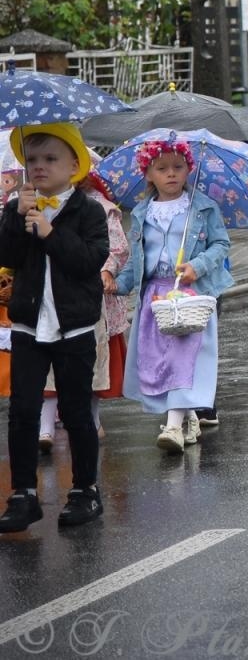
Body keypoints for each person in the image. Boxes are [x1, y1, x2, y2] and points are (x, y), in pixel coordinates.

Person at [0, 125, 110, 532]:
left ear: (74, 166)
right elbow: (7, 256)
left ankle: (85, 490)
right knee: (23, 410)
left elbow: (87, 263)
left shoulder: (90, 211)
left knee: (77, 410)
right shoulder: (18, 206)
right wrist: (16, 218)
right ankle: (23, 494)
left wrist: (49, 232)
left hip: (73, 326)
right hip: (29, 322)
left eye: (50, 160)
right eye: (32, 160)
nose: (40, 167)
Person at [116, 137, 232, 454]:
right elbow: (134, 258)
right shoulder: (142, 213)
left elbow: (221, 245)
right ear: (148, 173)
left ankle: (172, 426)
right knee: (162, 362)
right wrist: (117, 283)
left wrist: (198, 265)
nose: (171, 174)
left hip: (189, 295)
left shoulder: (203, 206)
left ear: (188, 171)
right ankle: (189, 417)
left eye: (178, 167)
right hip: (155, 297)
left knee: (184, 358)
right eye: (162, 168)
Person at [40, 170, 131, 447]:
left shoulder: (99, 207)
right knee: (47, 363)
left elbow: (116, 247)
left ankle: (92, 420)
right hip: (49, 298)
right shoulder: (37, 205)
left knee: (91, 361)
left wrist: (107, 270)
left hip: (90, 299)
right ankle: (45, 426)